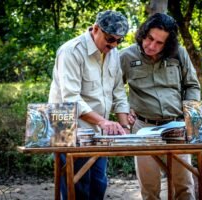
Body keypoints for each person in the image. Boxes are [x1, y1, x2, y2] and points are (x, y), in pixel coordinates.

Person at [48, 10, 131, 200]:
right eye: (110, 39)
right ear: (95, 29)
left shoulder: (113, 53)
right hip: (68, 129)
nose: (114, 45)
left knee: (98, 185)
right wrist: (104, 122)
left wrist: (124, 126)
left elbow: (118, 91)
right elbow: (70, 99)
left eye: (119, 40)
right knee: (77, 188)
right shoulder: (71, 51)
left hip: (98, 131)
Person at [120, 13, 201, 200]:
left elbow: (192, 85)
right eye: (149, 39)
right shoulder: (125, 56)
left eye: (159, 43)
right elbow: (113, 90)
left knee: (184, 186)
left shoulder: (179, 53)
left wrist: (191, 118)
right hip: (143, 127)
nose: (151, 46)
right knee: (149, 189)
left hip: (177, 127)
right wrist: (124, 111)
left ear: (168, 44)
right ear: (143, 33)